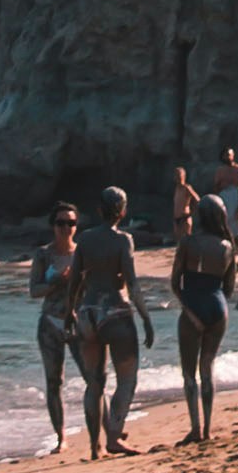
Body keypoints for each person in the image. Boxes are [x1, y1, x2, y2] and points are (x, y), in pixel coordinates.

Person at [70, 191, 152, 458]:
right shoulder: (123, 240)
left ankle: (95, 447)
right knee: (127, 379)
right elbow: (132, 281)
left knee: (94, 383)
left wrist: (69, 314)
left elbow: (74, 281)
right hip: (115, 310)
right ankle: (114, 437)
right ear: (123, 212)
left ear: (98, 209)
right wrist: (146, 318)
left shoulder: (84, 239)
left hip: (87, 311)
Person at [169, 193, 236, 445]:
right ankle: (208, 428)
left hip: (193, 305)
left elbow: (176, 283)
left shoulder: (188, 243)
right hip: (218, 307)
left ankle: (195, 428)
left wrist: (190, 311)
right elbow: (228, 288)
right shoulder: (228, 247)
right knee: (207, 368)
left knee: (189, 374)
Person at [23, 203, 85, 456]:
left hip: (78, 322)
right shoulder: (44, 255)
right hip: (50, 322)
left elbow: (93, 287)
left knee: (93, 378)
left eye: (71, 223)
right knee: (53, 382)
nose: (66, 229)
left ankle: (108, 428)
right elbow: (34, 291)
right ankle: (61, 437)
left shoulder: (82, 253)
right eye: (61, 223)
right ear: (53, 226)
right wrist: (56, 283)